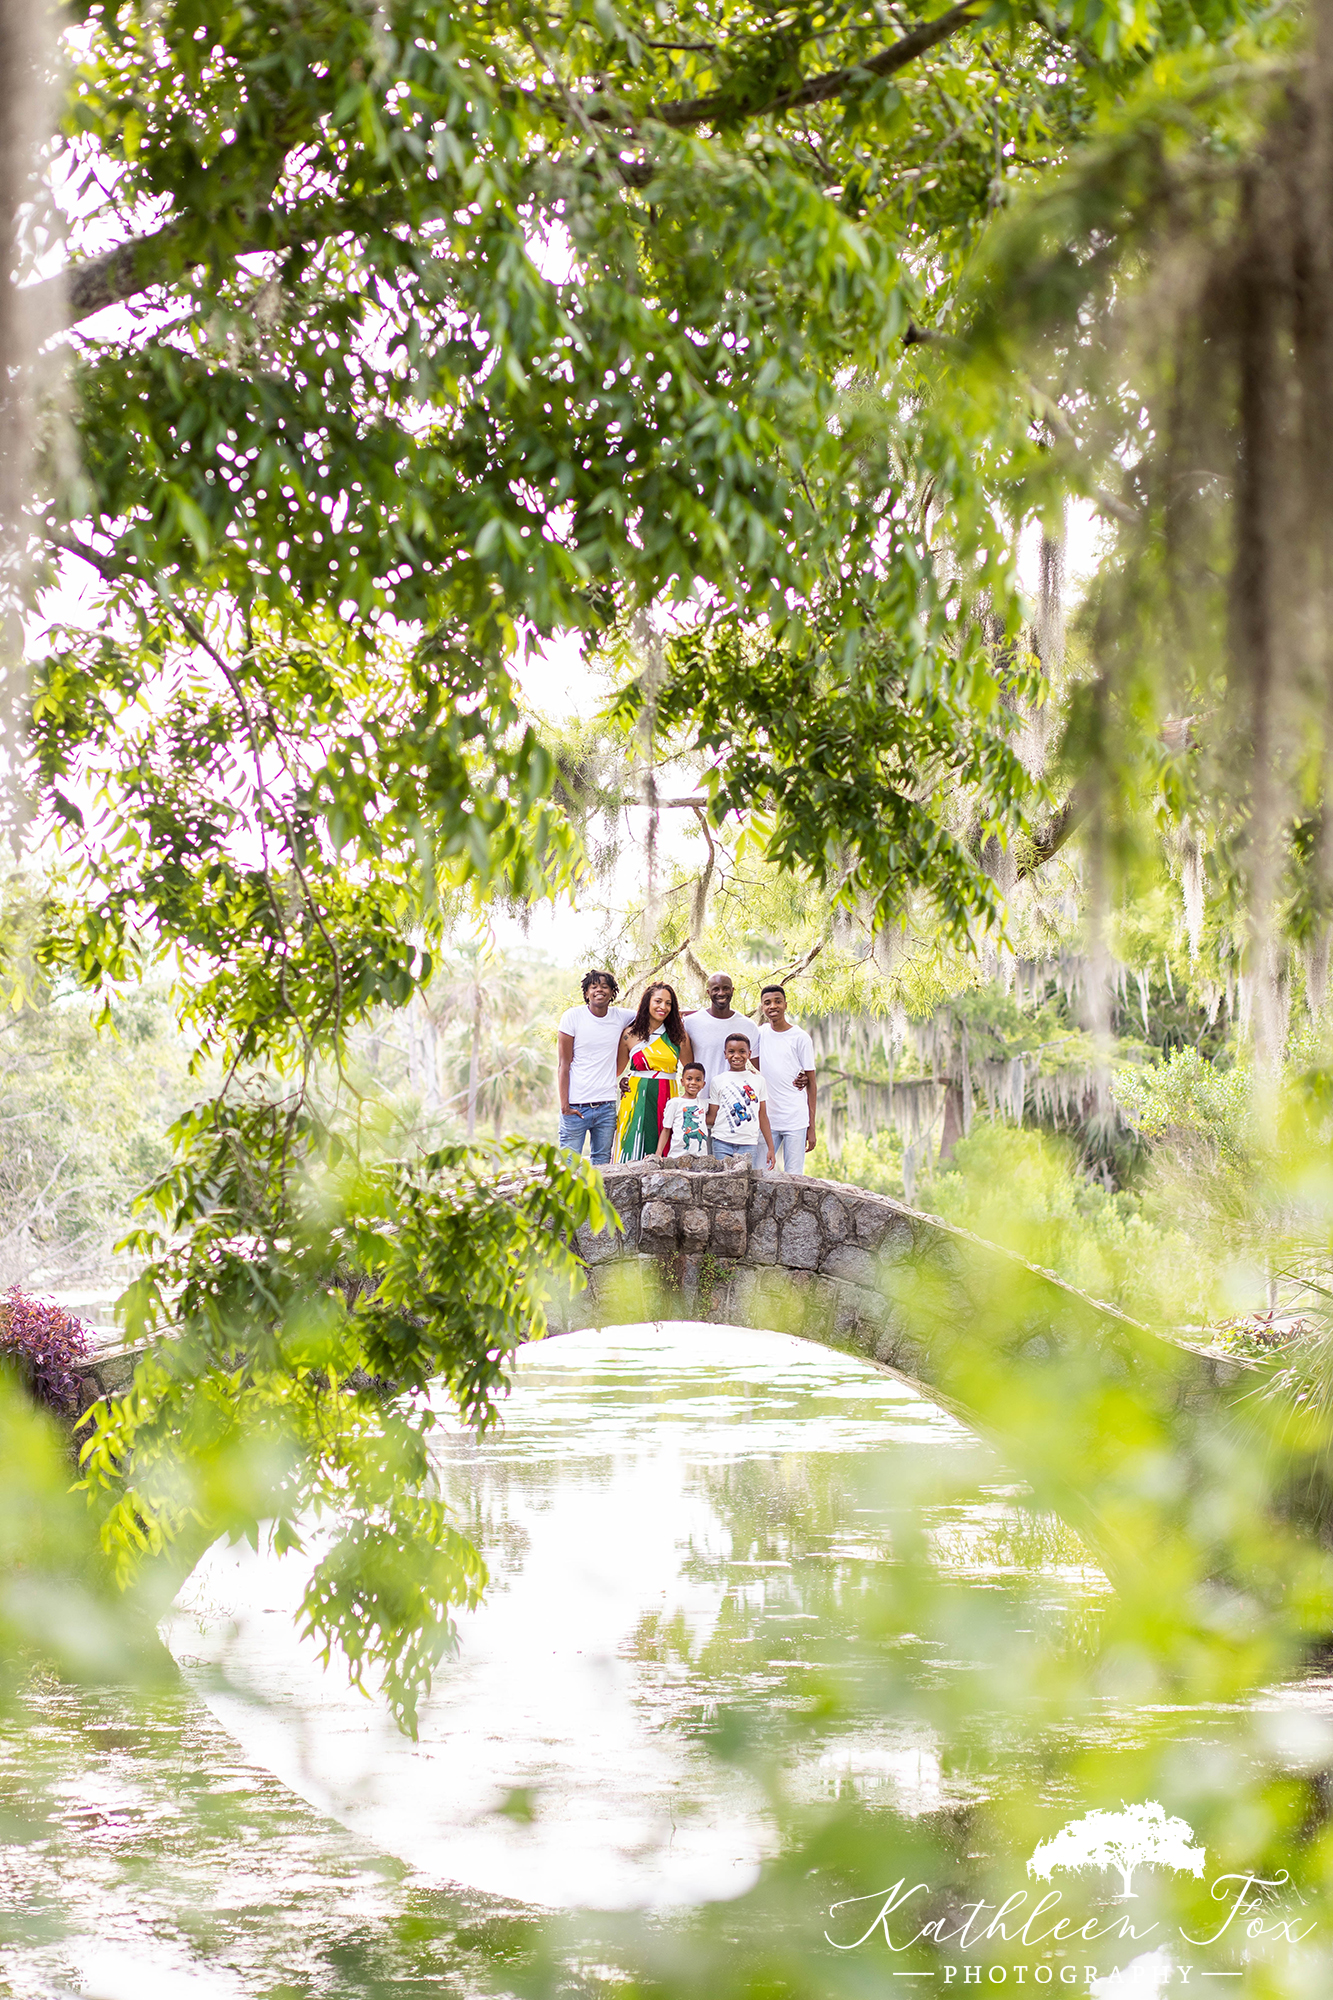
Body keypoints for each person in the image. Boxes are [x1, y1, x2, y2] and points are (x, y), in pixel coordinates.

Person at [557, 970, 634, 1165]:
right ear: (586, 993)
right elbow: (563, 1064)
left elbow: (651, 1014)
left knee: (602, 1164)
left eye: (604, 986)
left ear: (612, 992)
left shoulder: (621, 1016)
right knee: (569, 1165)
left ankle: (598, 1198)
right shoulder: (573, 1017)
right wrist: (565, 1105)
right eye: (594, 986)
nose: (599, 990)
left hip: (606, 1106)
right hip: (576, 1106)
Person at [613, 983, 694, 1162]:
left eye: (668, 1003)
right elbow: (617, 1070)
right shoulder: (629, 1034)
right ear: (647, 1003)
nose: (663, 1007)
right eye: (658, 1001)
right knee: (632, 1144)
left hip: (668, 1096)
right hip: (634, 1098)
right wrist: (623, 1080)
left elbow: (691, 1070)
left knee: (664, 1146)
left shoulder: (678, 1035)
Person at [757, 984, 817, 1172]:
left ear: (785, 1004)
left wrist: (812, 1126)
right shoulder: (760, 1033)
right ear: (762, 1007)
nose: (772, 1006)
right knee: (760, 1171)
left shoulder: (800, 1037)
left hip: (795, 1120)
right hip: (768, 1120)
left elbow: (812, 1084)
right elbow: (753, 1061)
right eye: (767, 1003)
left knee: (794, 1175)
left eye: (777, 1001)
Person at [706, 1033, 776, 1168]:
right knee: (722, 1181)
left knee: (746, 1183)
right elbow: (712, 1117)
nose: (736, 1056)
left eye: (742, 1052)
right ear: (725, 1054)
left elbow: (762, 1116)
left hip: (748, 1143)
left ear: (749, 1054)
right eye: (731, 1052)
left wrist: (771, 1148)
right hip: (721, 1141)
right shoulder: (717, 1080)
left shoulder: (758, 1080)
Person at [682, 971, 757, 1093]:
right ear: (708, 992)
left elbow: (762, 1064)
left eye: (726, 988)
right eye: (716, 989)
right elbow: (685, 1063)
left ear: (732, 990)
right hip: (702, 1098)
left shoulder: (748, 1025)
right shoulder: (690, 1023)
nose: (721, 993)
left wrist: (797, 1074)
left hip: (736, 1099)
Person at [657, 1062, 710, 1158]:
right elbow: (666, 1129)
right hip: (677, 1156)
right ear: (682, 1081)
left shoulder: (704, 1103)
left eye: (698, 1079)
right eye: (689, 1079)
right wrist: (658, 1153)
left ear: (703, 1084)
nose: (693, 1082)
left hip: (701, 1158)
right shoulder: (674, 1103)